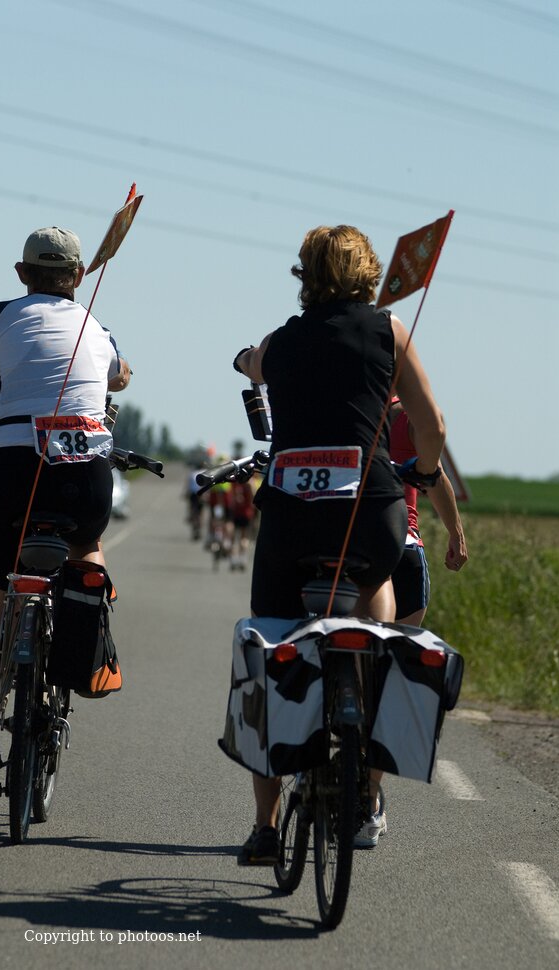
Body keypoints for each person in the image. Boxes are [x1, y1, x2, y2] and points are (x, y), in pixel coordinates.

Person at [232, 224, 445, 864]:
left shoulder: (283, 341)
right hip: (372, 514)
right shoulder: (390, 330)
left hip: (293, 517)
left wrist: (245, 361)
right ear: (368, 274)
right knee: (376, 599)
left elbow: (252, 362)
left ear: (305, 276)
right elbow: (432, 425)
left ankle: (266, 828)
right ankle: (368, 778)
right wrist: (425, 472)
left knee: (271, 644)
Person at [0, 226, 131, 794]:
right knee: (88, 547)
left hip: (15, 472)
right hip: (86, 477)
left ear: (22, 274)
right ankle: (91, 638)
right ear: (79, 276)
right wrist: (115, 374)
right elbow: (121, 375)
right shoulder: (96, 325)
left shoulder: (2, 317)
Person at [390, 400, 468, 627]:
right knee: (402, 642)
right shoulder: (409, 415)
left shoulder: (342, 411)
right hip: (402, 541)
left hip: (348, 543)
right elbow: (435, 477)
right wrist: (456, 535)